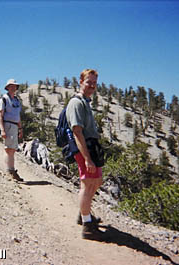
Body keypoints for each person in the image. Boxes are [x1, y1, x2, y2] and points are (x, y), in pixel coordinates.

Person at [66, 69, 104, 240]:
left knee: (95, 182)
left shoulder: (86, 102)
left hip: (91, 146)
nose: (92, 86)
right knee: (88, 184)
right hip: (84, 147)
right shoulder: (76, 103)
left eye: (94, 83)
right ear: (80, 81)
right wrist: (87, 158)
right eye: (89, 82)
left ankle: (84, 214)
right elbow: (77, 131)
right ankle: (87, 227)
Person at [0, 79, 24, 182]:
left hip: (15, 126)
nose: (13, 88)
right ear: (7, 87)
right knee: (8, 149)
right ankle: (9, 171)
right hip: (7, 124)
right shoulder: (3, 99)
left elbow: (18, 116)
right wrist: (2, 129)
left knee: (12, 149)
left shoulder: (16, 100)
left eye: (15, 86)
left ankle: (12, 170)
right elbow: (0, 115)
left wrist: (20, 128)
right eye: (11, 86)